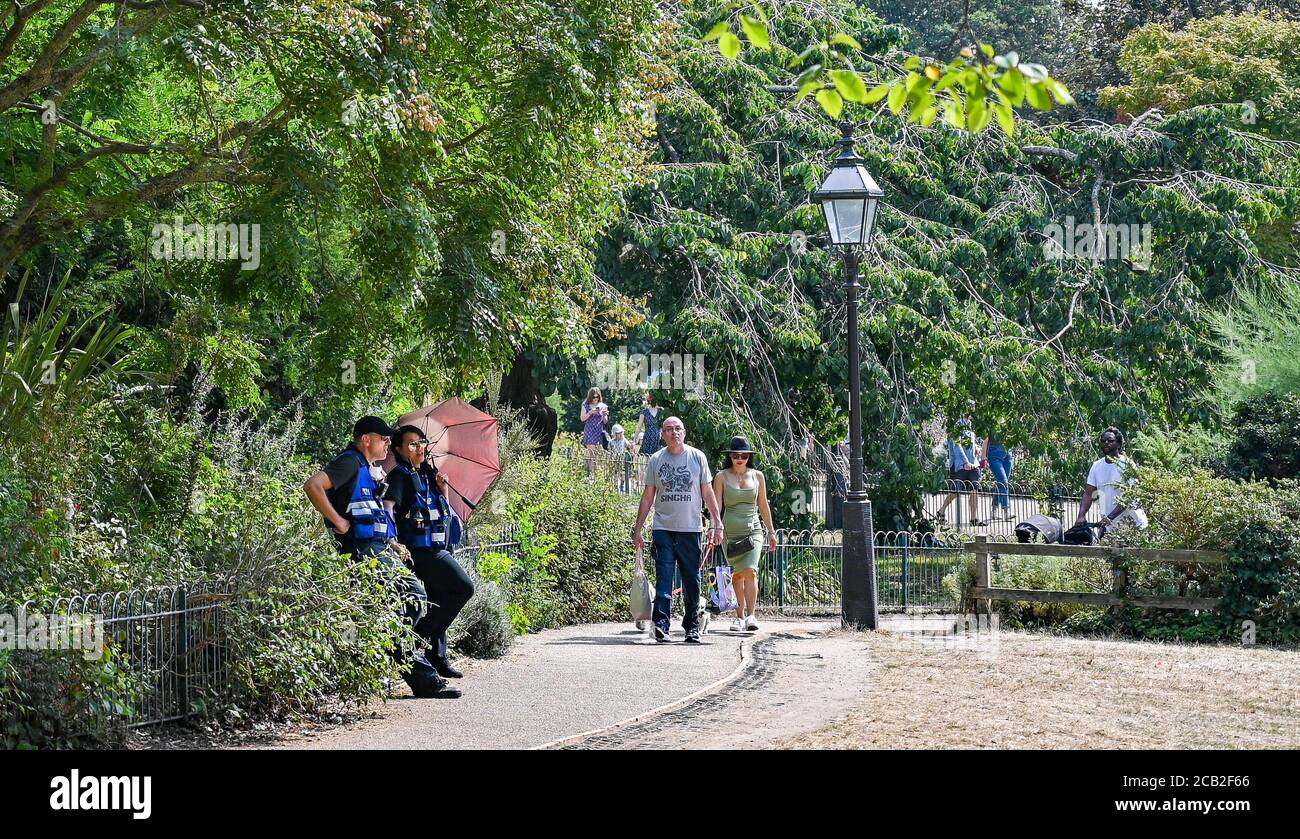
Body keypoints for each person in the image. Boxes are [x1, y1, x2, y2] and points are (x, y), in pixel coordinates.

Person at [302, 416, 459, 699]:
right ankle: (407, 661)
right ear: (366, 439)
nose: (388, 442)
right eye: (383, 438)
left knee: (397, 610)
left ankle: (404, 661)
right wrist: (338, 521)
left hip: (376, 548)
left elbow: (374, 514)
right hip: (361, 550)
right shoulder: (349, 462)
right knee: (413, 594)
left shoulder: (367, 467)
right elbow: (313, 485)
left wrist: (391, 543)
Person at [384, 425, 475, 683]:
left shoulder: (427, 474)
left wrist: (442, 489)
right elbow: (388, 506)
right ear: (399, 450)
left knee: (438, 596)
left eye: (421, 442)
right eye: (411, 444)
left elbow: (440, 511)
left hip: (438, 545)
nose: (419, 447)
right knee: (462, 588)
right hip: (419, 551)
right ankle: (415, 638)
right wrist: (392, 541)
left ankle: (437, 656)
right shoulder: (400, 476)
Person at [632, 416, 723, 643]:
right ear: (662, 434)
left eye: (678, 429)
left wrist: (716, 522)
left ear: (685, 432)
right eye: (669, 430)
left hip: (691, 529)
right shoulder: (656, 460)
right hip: (663, 528)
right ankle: (661, 625)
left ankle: (691, 626)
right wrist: (638, 528)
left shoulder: (697, 457)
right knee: (664, 579)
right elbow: (648, 496)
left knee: (692, 580)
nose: (674, 433)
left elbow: (707, 492)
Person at [711, 436, 777, 632]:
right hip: (730, 532)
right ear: (730, 456)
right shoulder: (721, 477)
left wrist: (771, 532)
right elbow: (717, 505)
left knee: (751, 570)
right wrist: (714, 528)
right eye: (736, 455)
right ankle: (739, 617)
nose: (740, 458)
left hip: (753, 530)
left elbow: (763, 505)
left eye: (744, 455)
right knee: (737, 575)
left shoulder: (758, 476)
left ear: (749, 457)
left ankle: (751, 616)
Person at [1074, 426, 1149, 538]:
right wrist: (1081, 516)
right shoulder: (1096, 466)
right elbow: (1089, 494)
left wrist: (1110, 518)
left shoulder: (1128, 465)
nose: (1106, 443)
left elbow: (1128, 497)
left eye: (1110, 441)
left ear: (1118, 444)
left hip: (1133, 525)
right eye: (1103, 441)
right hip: (1110, 528)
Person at [934, 416, 985, 527]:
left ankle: (973, 518)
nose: (973, 410)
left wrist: (976, 447)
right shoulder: (956, 425)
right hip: (959, 464)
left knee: (974, 489)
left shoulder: (969, 424)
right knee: (955, 492)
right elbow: (957, 445)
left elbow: (968, 442)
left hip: (973, 463)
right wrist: (965, 462)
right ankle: (941, 511)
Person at [580, 387, 609, 478]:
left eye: (597, 397)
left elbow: (605, 422)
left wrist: (604, 414)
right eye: (593, 397)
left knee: (598, 453)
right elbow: (582, 418)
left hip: (599, 431)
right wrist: (591, 412)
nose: (595, 399)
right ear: (590, 397)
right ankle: (591, 474)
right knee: (591, 452)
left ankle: (595, 473)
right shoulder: (586, 404)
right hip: (589, 430)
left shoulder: (603, 405)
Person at [984, 433, 1014, 521]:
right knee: (1003, 482)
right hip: (994, 454)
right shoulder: (993, 422)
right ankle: (1006, 511)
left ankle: (993, 511)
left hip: (1007, 454)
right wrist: (983, 457)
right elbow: (986, 440)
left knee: (1000, 483)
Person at [632, 391, 661, 457]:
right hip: (648, 438)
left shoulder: (661, 411)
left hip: (658, 439)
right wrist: (634, 441)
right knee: (646, 461)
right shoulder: (644, 412)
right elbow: (639, 427)